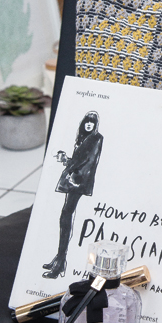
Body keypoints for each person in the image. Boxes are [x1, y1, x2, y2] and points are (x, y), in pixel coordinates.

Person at [42, 111, 103, 279]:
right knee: (65, 215)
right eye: (87, 121)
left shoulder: (96, 138)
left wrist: (72, 172)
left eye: (92, 122)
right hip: (75, 179)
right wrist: (66, 160)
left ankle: (60, 262)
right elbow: (79, 161)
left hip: (78, 182)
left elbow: (89, 162)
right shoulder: (84, 138)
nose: (89, 124)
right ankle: (59, 258)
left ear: (95, 125)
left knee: (66, 215)